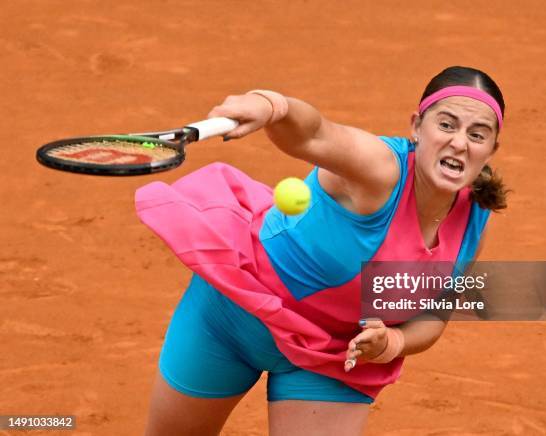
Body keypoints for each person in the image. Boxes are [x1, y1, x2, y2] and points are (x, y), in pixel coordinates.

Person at [136, 65, 508, 436]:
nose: (460, 142)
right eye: (446, 125)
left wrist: (393, 342)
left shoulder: (475, 221)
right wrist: (272, 105)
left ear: (492, 149)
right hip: (234, 319)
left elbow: (435, 314)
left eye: (477, 135)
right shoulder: (378, 170)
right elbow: (313, 135)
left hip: (331, 356)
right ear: (416, 127)